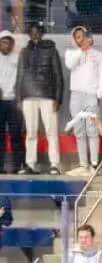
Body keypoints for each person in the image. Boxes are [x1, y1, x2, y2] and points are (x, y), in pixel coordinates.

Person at [17, 22, 62, 175]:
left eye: (37, 32)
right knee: (31, 132)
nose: (35, 34)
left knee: (51, 131)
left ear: (41, 33)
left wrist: (58, 98)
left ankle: (54, 164)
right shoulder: (24, 52)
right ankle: (31, 163)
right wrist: (19, 98)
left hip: (47, 96)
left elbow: (58, 75)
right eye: (32, 32)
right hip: (28, 96)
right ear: (29, 34)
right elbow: (20, 76)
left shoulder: (51, 50)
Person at [62, 27, 102, 175]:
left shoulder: (98, 55)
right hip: (76, 96)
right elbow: (70, 65)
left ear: (88, 37)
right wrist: (81, 50)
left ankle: (94, 164)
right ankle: (83, 165)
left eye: (82, 36)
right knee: (79, 131)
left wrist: (98, 94)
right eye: (77, 37)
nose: (80, 39)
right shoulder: (71, 53)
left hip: (91, 95)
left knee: (92, 130)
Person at [0, 31, 22, 175]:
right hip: (0, 103)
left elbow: (21, 79)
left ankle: (18, 165)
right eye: (3, 42)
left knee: (16, 135)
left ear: (13, 44)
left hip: (14, 103)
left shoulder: (18, 58)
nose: (6, 45)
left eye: (8, 42)